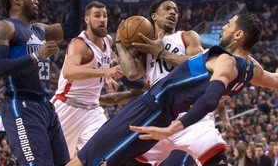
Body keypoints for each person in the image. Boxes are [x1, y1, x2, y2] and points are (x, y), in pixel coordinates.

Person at [67, 11, 278, 166]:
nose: (224, 26)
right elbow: (275, 80)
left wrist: (172, 129)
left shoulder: (226, 61)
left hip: (152, 109)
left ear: (239, 34)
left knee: (88, 158)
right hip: (159, 110)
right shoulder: (251, 67)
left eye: (229, 24)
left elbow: (209, 100)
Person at [109, 0, 231, 166]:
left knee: (217, 160)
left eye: (176, 10)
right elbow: (131, 74)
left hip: (190, 114)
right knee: (130, 161)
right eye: (167, 9)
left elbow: (202, 66)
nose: (173, 12)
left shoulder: (187, 37)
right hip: (160, 115)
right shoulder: (144, 45)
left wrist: (161, 53)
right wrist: (120, 43)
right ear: (154, 16)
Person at [0, 0, 82, 165]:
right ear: (17, 0)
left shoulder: (40, 29)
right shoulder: (5, 27)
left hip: (46, 106)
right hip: (21, 104)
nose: (37, 1)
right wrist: (36, 56)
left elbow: (72, 29)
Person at [50, 1, 124, 158]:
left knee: (105, 153)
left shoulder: (107, 40)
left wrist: (111, 70)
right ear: (87, 19)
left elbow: (109, 55)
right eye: (97, 15)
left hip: (92, 110)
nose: (102, 19)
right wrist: (105, 72)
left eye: (104, 15)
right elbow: (69, 72)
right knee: (56, 160)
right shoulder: (79, 44)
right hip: (67, 107)